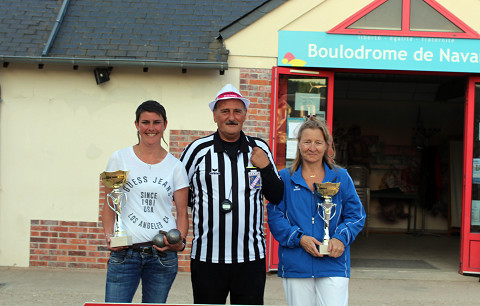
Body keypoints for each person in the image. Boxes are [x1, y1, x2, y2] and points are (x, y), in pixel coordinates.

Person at [180, 84, 284, 305]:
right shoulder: (197, 151)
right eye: (225, 111)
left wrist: (265, 168)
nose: (231, 117)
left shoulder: (259, 149)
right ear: (215, 116)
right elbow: (181, 195)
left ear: (245, 115)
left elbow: (276, 195)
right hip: (207, 257)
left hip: (251, 258)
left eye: (237, 111)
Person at [267, 116, 366, 306]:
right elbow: (275, 217)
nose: (312, 148)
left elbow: (356, 215)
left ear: (327, 145)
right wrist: (299, 238)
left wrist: (340, 238)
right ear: (299, 144)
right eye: (307, 142)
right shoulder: (284, 178)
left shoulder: (341, 177)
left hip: (333, 263)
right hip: (297, 263)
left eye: (318, 142)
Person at [102, 100, 189, 303]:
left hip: (162, 256)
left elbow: (183, 213)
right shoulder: (119, 158)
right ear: (136, 125)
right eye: (145, 122)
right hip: (125, 254)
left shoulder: (176, 167)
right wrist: (109, 236)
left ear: (165, 124)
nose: (151, 128)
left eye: (156, 122)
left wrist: (180, 242)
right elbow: (108, 205)